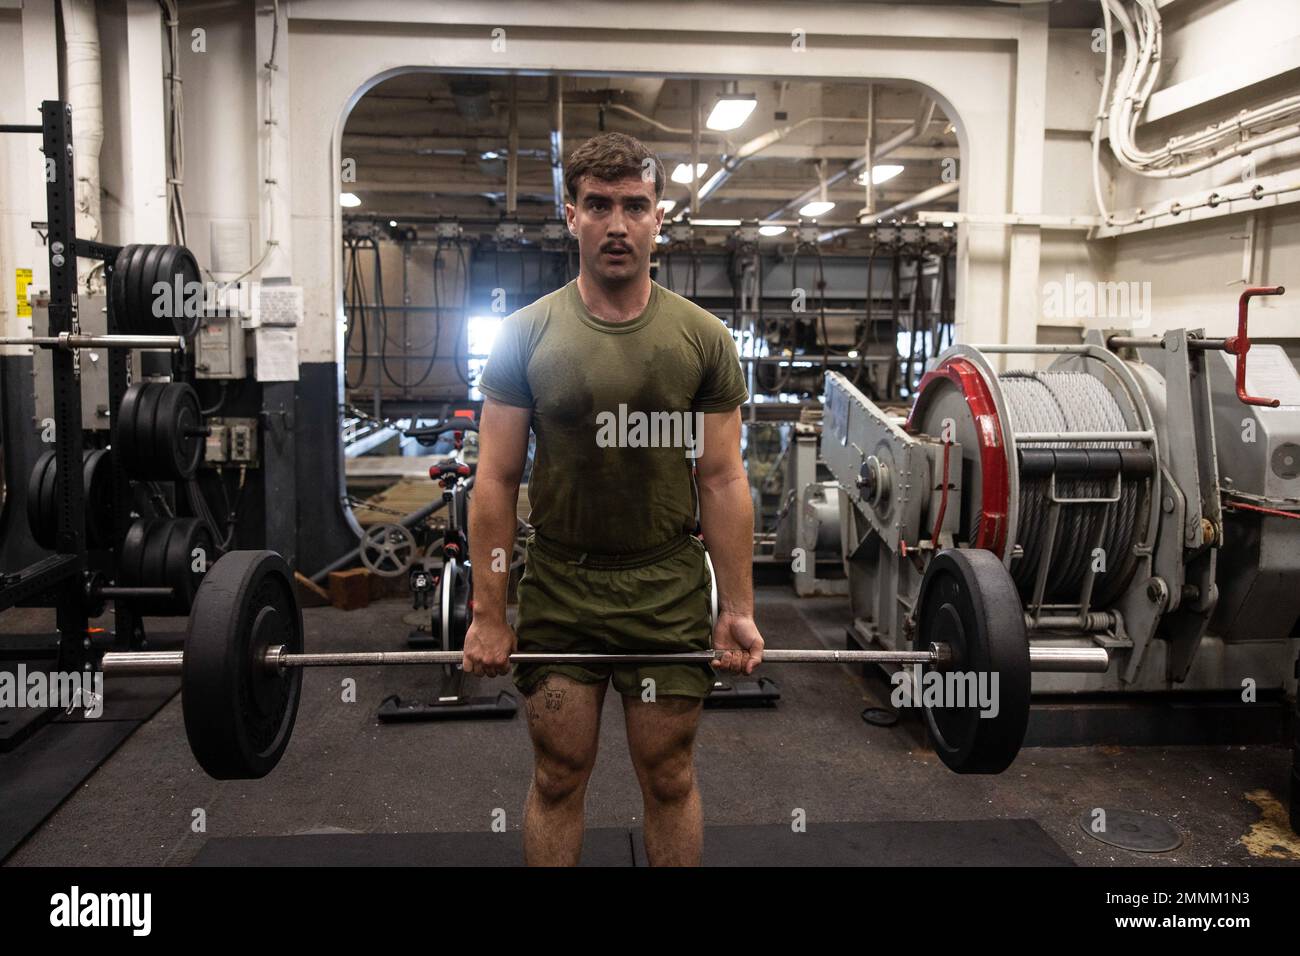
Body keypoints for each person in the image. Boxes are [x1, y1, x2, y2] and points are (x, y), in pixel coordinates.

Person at [464, 131, 763, 866]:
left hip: (664, 585)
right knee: (559, 776)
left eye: (636, 205)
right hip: (563, 583)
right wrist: (489, 613)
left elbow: (722, 480)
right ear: (571, 214)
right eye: (599, 205)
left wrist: (738, 607)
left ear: (661, 217)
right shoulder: (523, 336)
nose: (618, 224)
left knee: (668, 776)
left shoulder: (704, 339)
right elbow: (495, 481)